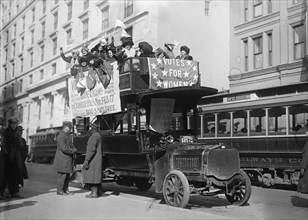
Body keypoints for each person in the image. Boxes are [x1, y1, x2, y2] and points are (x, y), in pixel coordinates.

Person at [53, 121, 77, 196]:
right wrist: (73, 151)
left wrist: (73, 148)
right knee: (62, 176)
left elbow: (71, 145)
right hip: (62, 159)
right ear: (65, 127)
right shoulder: (61, 136)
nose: (70, 129)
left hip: (66, 159)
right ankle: (60, 191)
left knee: (67, 176)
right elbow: (64, 148)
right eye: (69, 128)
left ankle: (66, 190)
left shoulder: (67, 135)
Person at [3, 118, 24, 198]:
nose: (14, 125)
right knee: (8, 174)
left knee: (15, 174)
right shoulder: (6, 132)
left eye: (16, 124)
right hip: (8, 156)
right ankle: (7, 191)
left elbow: (19, 143)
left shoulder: (17, 132)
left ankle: (15, 191)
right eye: (13, 124)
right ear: (10, 124)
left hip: (15, 156)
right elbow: (6, 144)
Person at [82, 121, 103, 198]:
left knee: (91, 176)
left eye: (90, 127)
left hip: (93, 160)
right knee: (96, 176)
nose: (89, 129)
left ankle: (94, 193)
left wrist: (87, 160)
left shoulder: (93, 136)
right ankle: (99, 192)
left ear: (92, 128)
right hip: (97, 159)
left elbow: (91, 150)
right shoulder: (98, 135)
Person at [0, 117, 8, 200]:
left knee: (2, 174)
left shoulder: (3, 132)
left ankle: (1, 192)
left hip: (2, 155)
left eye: (1, 124)